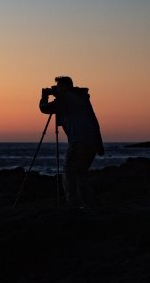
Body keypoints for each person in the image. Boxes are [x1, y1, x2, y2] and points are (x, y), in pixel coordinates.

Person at [39, 76, 104, 208]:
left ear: (63, 87)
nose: (56, 90)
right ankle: (88, 204)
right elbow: (93, 119)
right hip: (91, 140)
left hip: (78, 140)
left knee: (69, 171)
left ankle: (73, 205)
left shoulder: (66, 98)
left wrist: (44, 97)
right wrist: (99, 142)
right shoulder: (81, 97)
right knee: (82, 172)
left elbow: (45, 108)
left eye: (57, 87)